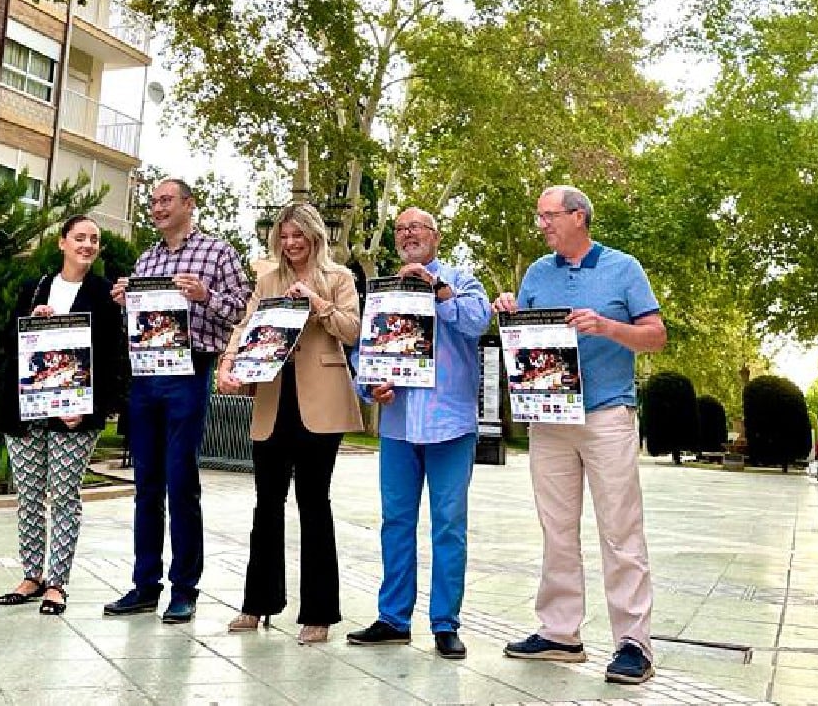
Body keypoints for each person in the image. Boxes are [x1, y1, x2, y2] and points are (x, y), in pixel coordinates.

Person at [493, 185, 667, 686]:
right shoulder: (536, 274)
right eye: (540, 216)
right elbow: (522, 338)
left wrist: (608, 327)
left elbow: (655, 335)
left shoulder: (623, 268)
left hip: (607, 416)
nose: (542, 224)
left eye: (548, 216)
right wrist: (508, 312)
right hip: (548, 418)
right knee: (556, 529)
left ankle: (634, 643)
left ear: (578, 216)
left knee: (620, 530)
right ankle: (560, 633)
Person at [346, 207, 491, 661]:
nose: (408, 234)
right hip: (399, 425)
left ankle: (445, 623)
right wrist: (370, 386)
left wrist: (438, 290)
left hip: (450, 425)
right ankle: (393, 618)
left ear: (436, 236)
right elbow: (363, 354)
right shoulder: (384, 292)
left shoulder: (462, 280)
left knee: (449, 526)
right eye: (401, 229)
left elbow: (477, 322)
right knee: (396, 523)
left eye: (417, 227)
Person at [105, 178, 251, 624]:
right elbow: (144, 318)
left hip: (191, 369)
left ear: (189, 205)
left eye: (166, 200)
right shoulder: (147, 259)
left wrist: (204, 296)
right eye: (152, 202)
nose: (157, 208)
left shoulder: (217, 252)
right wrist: (123, 301)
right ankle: (144, 584)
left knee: (180, 479)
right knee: (146, 482)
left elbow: (242, 306)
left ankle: (184, 589)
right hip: (147, 372)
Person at [220, 203, 361, 645]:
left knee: (314, 504)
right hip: (273, 399)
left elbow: (353, 330)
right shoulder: (267, 280)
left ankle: (318, 613)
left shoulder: (339, 278)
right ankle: (256, 603)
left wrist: (318, 304)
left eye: (298, 236)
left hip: (321, 403)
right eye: (284, 236)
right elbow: (245, 327)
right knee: (266, 504)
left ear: (315, 237)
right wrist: (228, 363)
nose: (291, 243)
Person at [0, 215, 128, 616]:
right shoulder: (34, 288)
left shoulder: (105, 296)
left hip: (74, 415)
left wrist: (87, 409)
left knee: (65, 495)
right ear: (62, 243)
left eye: (94, 240)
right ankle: (31, 575)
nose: (87, 245)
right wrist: (30, 323)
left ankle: (57, 583)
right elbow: (7, 341)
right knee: (30, 497)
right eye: (80, 238)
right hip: (27, 409)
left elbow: (111, 359)